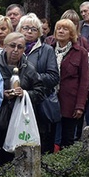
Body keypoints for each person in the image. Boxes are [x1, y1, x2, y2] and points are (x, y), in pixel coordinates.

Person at [0, 32, 48, 159]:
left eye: (20, 47)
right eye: (12, 46)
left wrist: (25, 94)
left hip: (21, 120)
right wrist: (3, 95)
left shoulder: (28, 68)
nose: (16, 50)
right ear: (5, 46)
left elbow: (40, 92)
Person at [17, 13, 59, 152]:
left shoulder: (47, 50)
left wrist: (32, 78)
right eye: (26, 28)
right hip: (18, 105)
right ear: (19, 29)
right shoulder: (14, 49)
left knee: (42, 146)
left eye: (34, 29)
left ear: (40, 32)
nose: (29, 31)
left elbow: (53, 77)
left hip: (41, 104)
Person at [50, 20, 89, 148]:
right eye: (58, 28)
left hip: (69, 102)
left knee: (67, 139)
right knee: (49, 138)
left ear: (72, 33)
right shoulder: (48, 49)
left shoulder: (80, 52)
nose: (61, 31)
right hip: (50, 101)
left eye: (65, 29)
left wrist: (80, 105)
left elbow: (84, 81)